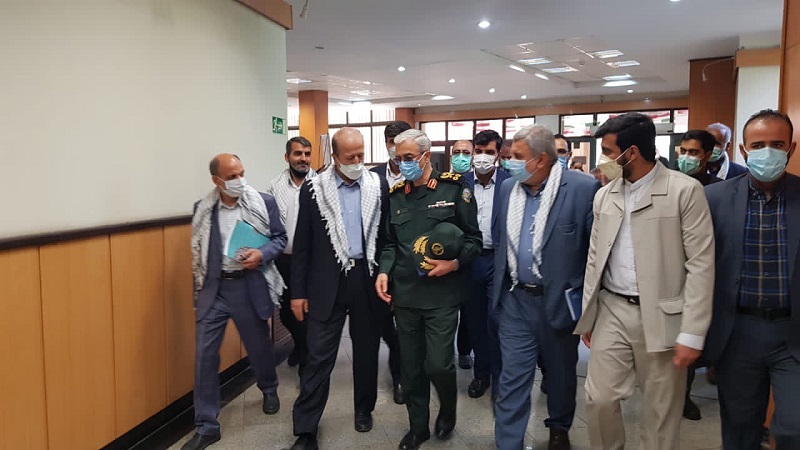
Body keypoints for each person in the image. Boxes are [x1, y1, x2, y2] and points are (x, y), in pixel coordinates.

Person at [574, 113, 715, 450]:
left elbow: (701, 263)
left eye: (609, 152)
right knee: (599, 398)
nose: (603, 159)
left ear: (632, 152)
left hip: (664, 313)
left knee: (660, 411)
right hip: (612, 308)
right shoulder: (605, 195)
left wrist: (692, 332)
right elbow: (595, 259)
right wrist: (589, 314)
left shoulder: (684, 191)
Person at [492, 125, 600, 450]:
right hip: (515, 300)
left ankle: (559, 427)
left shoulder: (582, 189)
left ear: (540, 160)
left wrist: (589, 307)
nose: (509, 162)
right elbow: (500, 240)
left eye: (517, 156)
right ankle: (508, 443)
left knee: (561, 374)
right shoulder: (508, 188)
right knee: (512, 378)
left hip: (559, 302)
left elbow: (594, 252)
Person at [376, 129, 482, 450]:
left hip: (442, 295)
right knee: (411, 368)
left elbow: (473, 240)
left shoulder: (454, 188)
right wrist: (384, 271)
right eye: (399, 158)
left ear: (425, 155)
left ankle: (447, 409)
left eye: (409, 157)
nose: (403, 164)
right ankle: (417, 427)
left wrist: (454, 264)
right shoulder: (396, 195)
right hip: (406, 294)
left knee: (438, 363)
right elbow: (390, 243)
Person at [704, 109, 800, 450]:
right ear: (744, 151)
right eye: (758, 145)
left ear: (791, 148)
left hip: (792, 334)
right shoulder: (714, 199)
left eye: (777, 144)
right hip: (737, 333)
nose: (767, 152)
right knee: (739, 430)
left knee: (794, 429)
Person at [290, 128, 389, 450]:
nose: (358, 161)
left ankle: (364, 409)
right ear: (335, 157)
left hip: (366, 278)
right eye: (350, 157)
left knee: (367, 350)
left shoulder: (377, 185)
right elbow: (302, 244)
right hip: (325, 282)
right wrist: (297, 293)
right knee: (318, 356)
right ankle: (306, 429)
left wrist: (385, 274)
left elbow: (386, 238)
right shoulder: (314, 189)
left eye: (361, 154)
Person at [185, 154, 287, 450]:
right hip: (215, 289)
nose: (239, 180)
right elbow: (198, 253)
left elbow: (280, 239)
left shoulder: (263, 202)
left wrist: (262, 254)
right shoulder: (203, 209)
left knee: (258, 347)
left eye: (241, 173)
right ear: (216, 181)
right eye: (231, 177)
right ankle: (207, 425)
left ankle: (269, 387)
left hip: (248, 285)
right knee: (205, 356)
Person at [674, 129, 721, 420]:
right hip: (671, 273)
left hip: (701, 271)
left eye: (694, 152)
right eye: (684, 151)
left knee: (693, 336)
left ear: (707, 155)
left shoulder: (716, 190)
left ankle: (685, 395)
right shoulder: (669, 183)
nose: (687, 157)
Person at [461, 129, 510, 400]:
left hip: (498, 260)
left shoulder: (509, 183)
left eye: (489, 152)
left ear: (498, 154)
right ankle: (481, 375)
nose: (482, 157)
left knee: (496, 321)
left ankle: (500, 378)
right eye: (478, 152)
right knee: (476, 322)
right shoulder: (461, 183)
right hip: (470, 261)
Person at [370, 120, 412, 405]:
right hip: (380, 262)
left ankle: (403, 378)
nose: (395, 148)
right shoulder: (373, 177)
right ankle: (399, 372)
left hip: (410, 262)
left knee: (407, 327)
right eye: (391, 142)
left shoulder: (419, 173)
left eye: (400, 142)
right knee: (386, 325)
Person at [267, 137, 317, 374]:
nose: (303, 159)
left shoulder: (322, 184)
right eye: (298, 154)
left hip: (313, 263)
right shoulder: (274, 186)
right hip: (285, 261)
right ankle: (299, 344)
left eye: (307, 154)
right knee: (287, 313)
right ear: (287, 157)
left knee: (309, 313)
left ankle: (307, 361)